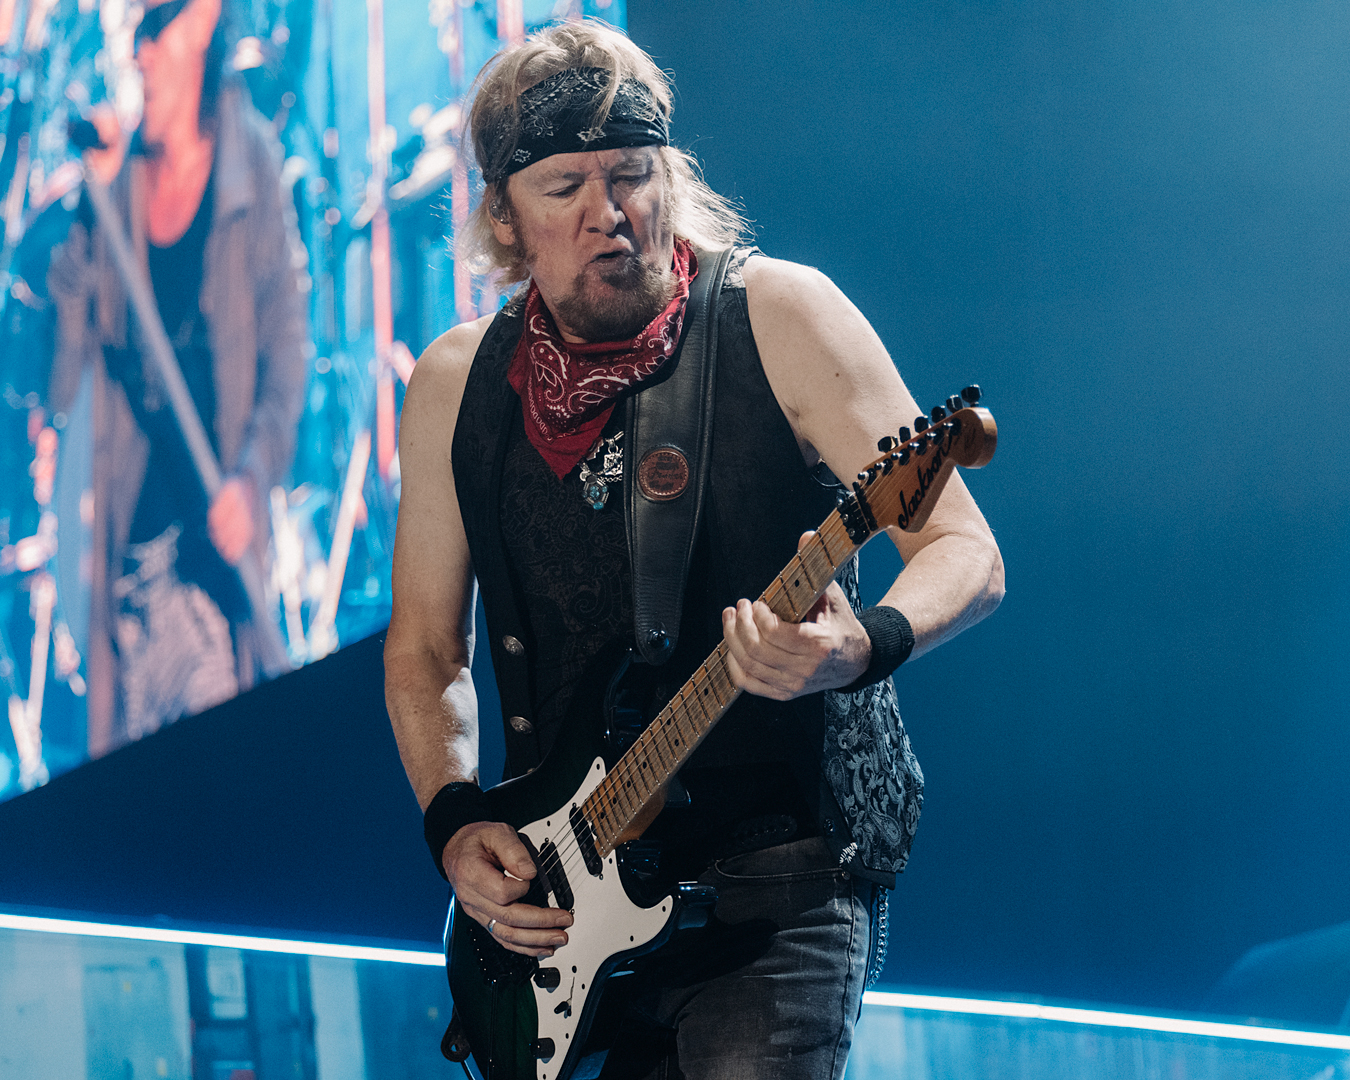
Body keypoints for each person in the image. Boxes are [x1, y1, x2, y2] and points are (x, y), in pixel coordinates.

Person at [384, 21, 1004, 1078]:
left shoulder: (780, 316)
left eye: (632, 175)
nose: (609, 213)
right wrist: (452, 816)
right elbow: (425, 651)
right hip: (568, 892)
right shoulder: (456, 384)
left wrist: (864, 645)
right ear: (503, 215)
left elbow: (964, 547)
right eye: (564, 188)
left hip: (777, 877)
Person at [47, 0, 307, 753]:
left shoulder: (250, 168)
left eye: (153, 30)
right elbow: (63, 378)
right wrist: (93, 209)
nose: (140, 54)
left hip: (211, 565)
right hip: (129, 559)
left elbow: (287, 358)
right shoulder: (120, 182)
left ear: (201, 24)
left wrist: (253, 477)